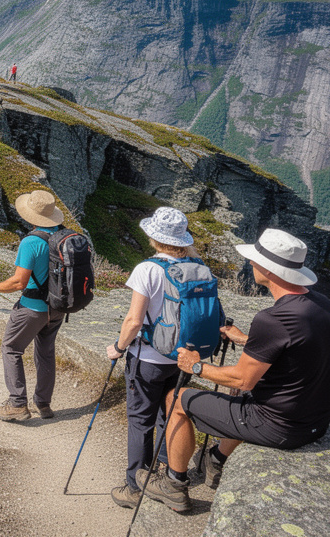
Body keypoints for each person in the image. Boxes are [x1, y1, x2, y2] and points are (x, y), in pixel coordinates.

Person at [138, 229, 330, 514]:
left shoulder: (273, 318)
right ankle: (217, 460)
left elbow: (242, 378)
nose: (251, 264)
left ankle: (174, 485)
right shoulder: (321, 305)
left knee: (176, 399)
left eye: (256, 261)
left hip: (279, 426)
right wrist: (249, 341)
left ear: (269, 271)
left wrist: (195, 366)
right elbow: (298, 345)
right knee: (240, 395)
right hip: (316, 421)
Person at [104, 207, 207, 507]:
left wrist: (118, 348)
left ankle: (134, 487)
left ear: (154, 237)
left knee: (140, 421)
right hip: (182, 359)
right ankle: (164, 476)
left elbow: (134, 321)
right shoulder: (198, 266)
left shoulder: (147, 269)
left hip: (147, 359)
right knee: (170, 414)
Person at [0, 191, 68, 422]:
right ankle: (43, 404)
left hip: (32, 308)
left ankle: (17, 404)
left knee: (11, 348)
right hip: (58, 308)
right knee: (46, 353)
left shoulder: (31, 241)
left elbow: (20, 281)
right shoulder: (64, 236)